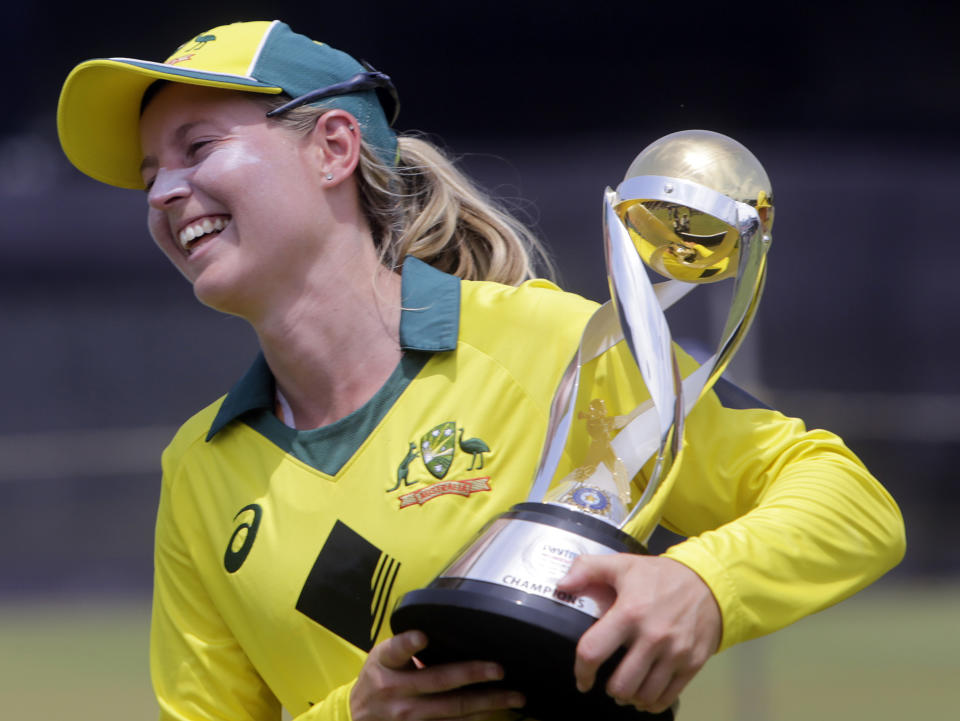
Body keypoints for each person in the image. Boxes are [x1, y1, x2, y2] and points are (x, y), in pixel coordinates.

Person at [56, 19, 905, 721]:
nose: (166, 191)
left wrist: (700, 583)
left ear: (333, 148)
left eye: (197, 146)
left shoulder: (546, 343)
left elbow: (849, 502)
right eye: (149, 174)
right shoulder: (198, 467)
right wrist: (356, 714)